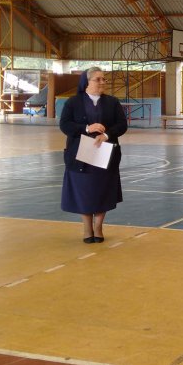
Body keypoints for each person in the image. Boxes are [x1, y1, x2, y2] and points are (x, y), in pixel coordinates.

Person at [60, 67, 128, 243]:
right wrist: (86, 128)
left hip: (105, 154)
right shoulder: (73, 102)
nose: (102, 82)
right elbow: (64, 125)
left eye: (104, 79)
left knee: (102, 191)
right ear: (87, 82)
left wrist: (107, 135)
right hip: (80, 156)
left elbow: (122, 125)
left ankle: (98, 227)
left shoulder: (112, 102)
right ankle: (86, 228)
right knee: (84, 192)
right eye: (98, 79)